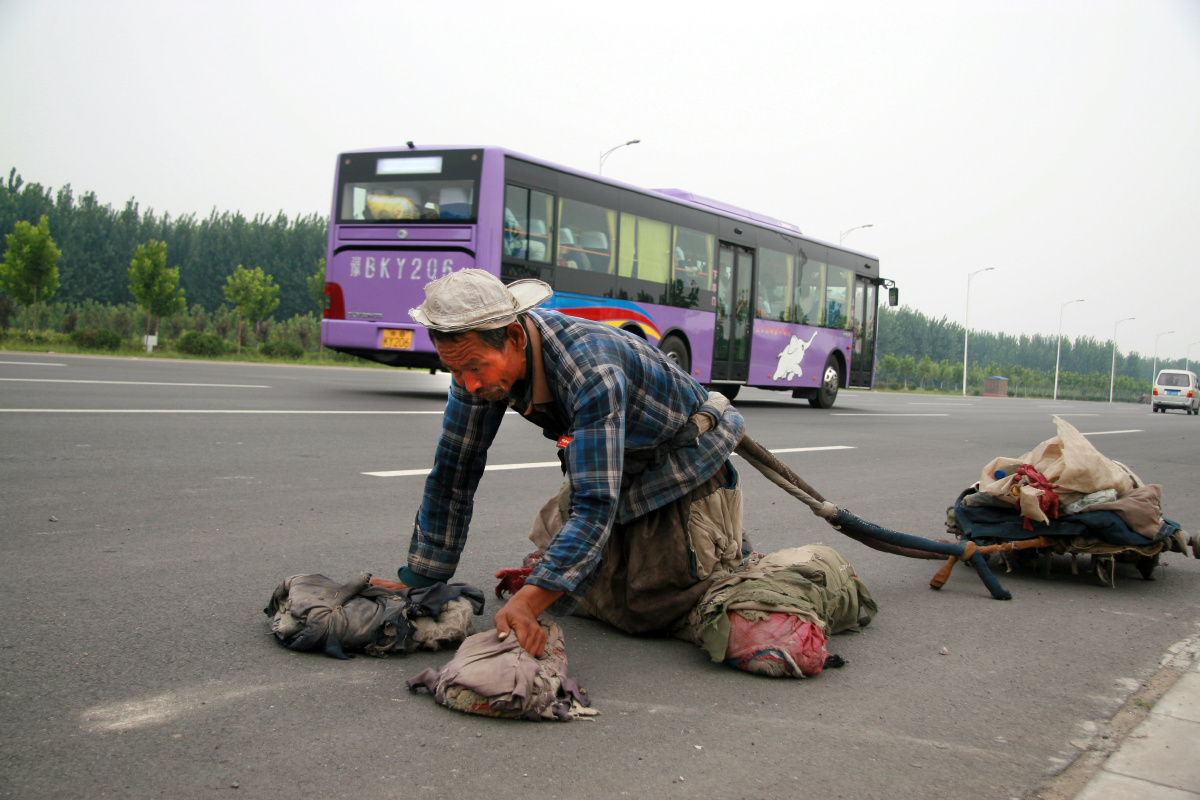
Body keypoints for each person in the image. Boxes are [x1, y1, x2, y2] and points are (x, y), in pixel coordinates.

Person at [376, 269, 745, 657]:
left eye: (474, 367)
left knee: (647, 608)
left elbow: (594, 503)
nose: (468, 383)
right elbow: (455, 469)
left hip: (683, 463)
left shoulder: (590, 370)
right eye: (454, 370)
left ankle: (720, 549)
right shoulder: (473, 366)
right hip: (614, 462)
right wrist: (422, 578)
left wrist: (530, 603)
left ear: (515, 338)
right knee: (574, 578)